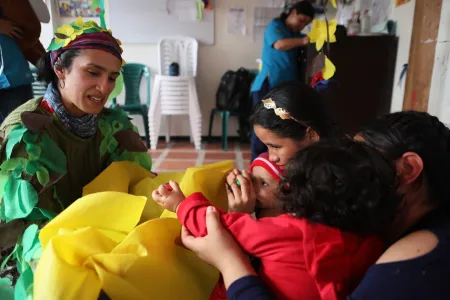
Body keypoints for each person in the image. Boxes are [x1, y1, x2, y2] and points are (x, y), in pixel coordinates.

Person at [181, 111, 450, 300]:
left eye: (363, 162)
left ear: (409, 168)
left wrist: (230, 263)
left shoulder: (413, 257)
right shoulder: (374, 229)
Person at [0, 17, 152, 286]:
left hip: (94, 235)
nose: (104, 87)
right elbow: (27, 226)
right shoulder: (27, 130)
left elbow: (136, 185)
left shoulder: (112, 125)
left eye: (111, 77)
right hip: (35, 253)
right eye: (93, 73)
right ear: (60, 69)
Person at [153, 138, 401, 300]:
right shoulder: (371, 242)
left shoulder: (290, 231)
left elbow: (219, 226)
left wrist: (182, 204)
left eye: (265, 183)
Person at [229, 81, 339, 213]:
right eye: (267, 147)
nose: (271, 157)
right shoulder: (308, 170)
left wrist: (238, 215)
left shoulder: (329, 187)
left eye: (275, 146)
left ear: (311, 135)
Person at [250, 1, 315, 160]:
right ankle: (257, 164)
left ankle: (276, 165)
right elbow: (279, 45)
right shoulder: (275, 26)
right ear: (292, 13)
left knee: (281, 129)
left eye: (306, 24)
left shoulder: (295, 35)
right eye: (301, 20)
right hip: (267, 85)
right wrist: (304, 41)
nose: (302, 26)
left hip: (285, 90)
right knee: (263, 126)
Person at [0, 0, 47, 118]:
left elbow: (28, 41)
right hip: (15, 78)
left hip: (16, 80)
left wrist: (48, 65)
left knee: (21, 128)